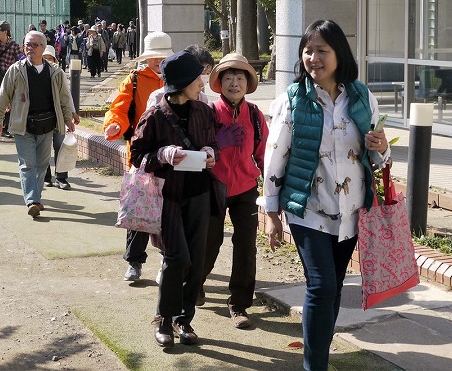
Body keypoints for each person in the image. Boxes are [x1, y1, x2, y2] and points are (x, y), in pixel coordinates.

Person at [263, 19, 391, 371]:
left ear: (339, 54)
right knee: (320, 286)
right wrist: (272, 213)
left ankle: (319, 345)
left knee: (333, 287)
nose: (313, 58)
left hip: (351, 211)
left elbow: (378, 156)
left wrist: (381, 147)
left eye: (322, 50)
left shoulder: (362, 96)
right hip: (308, 208)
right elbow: (275, 156)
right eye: (308, 51)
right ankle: (314, 364)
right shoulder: (292, 100)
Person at [129, 50, 218, 347]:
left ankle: (185, 321)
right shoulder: (154, 116)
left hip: (199, 193)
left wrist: (209, 153)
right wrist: (162, 155)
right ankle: (164, 319)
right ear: (182, 83)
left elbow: (211, 141)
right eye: (197, 78)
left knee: (196, 260)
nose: (202, 84)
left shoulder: (204, 111)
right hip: (167, 196)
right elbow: (137, 155)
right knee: (177, 257)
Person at [201, 53, 269, 329]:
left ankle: (239, 304)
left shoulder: (254, 114)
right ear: (219, 82)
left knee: (245, 246)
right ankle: (194, 284)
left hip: (246, 188)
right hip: (212, 186)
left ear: (247, 83)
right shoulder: (208, 113)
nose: (234, 83)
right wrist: (218, 141)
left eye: (239, 77)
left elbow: (265, 152)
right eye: (228, 77)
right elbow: (198, 148)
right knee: (208, 242)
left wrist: (274, 187)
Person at [103, 31, 173, 282]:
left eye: (162, 57)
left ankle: (167, 259)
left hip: (172, 157)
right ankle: (134, 261)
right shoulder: (134, 79)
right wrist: (115, 126)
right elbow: (119, 109)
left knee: (169, 210)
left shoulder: (178, 78)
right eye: (154, 57)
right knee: (139, 208)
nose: (158, 62)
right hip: (142, 154)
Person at [0, 30, 76, 218]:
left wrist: (67, 118)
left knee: (41, 164)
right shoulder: (16, 70)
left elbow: (64, 98)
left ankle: (36, 198)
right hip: (23, 125)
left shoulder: (55, 72)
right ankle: (32, 200)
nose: (30, 48)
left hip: (47, 125)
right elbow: (3, 96)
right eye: (27, 45)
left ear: (43, 47)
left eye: (34, 45)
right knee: (27, 164)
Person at [42, 44, 80, 188]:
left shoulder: (59, 73)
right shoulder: (35, 73)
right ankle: (46, 177)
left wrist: (72, 112)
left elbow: (66, 96)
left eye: (50, 58)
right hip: (41, 117)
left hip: (58, 116)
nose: (47, 60)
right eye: (44, 58)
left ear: (55, 59)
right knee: (44, 148)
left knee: (60, 146)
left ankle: (61, 178)